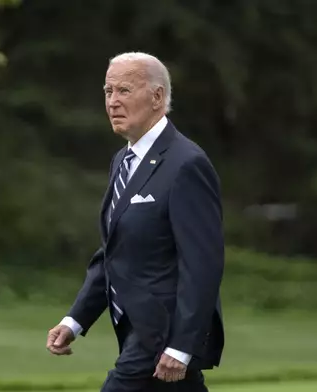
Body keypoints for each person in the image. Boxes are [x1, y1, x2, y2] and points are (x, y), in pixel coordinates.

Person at [46, 51, 225, 392]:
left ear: (157, 97)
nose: (112, 101)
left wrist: (183, 346)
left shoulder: (187, 164)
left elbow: (203, 264)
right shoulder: (123, 160)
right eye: (107, 91)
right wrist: (75, 321)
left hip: (160, 336)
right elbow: (113, 252)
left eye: (124, 91)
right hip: (137, 333)